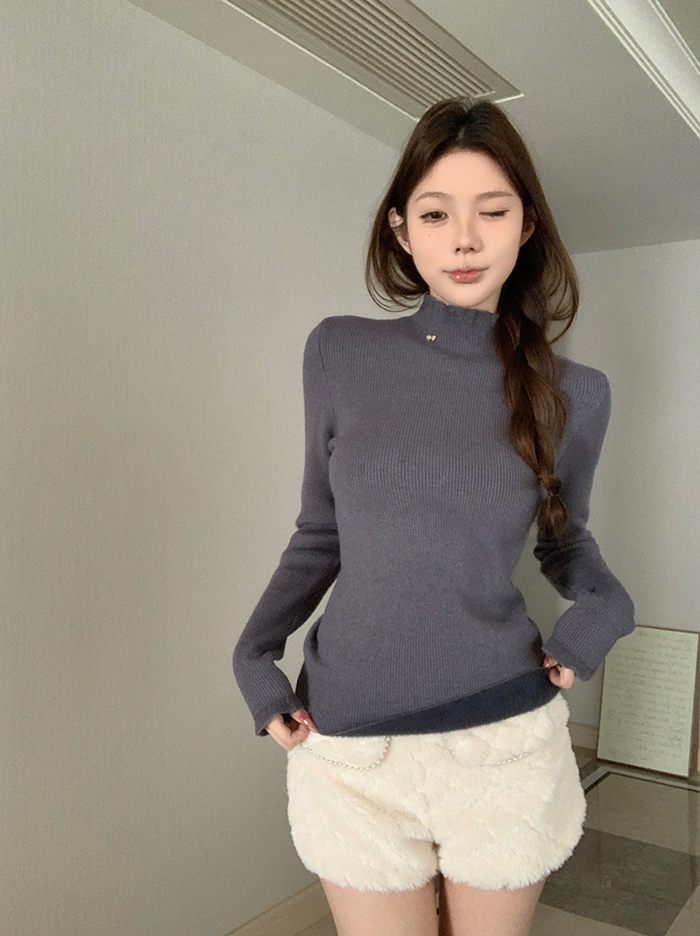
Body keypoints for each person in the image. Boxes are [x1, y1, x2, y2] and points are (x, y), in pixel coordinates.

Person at [232, 96, 636, 936]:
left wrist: (606, 607)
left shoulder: (575, 394)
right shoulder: (340, 351)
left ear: (527, 226)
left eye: (493, 211)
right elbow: (320, 531)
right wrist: (253, 653)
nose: (465, 239)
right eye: (436, 213)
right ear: (400, 229)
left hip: (503, 739)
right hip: (351, 746)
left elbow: (567, 541)